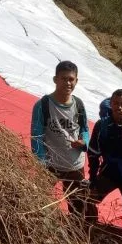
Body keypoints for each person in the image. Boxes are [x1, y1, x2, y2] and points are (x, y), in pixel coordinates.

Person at [30, 60, 90, 218]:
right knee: (39, 202)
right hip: (51, 165)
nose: (68, 83)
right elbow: (36, 136)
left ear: (76, 81)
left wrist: (84, 142)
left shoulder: (79, 105)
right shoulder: (43, 105)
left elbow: (84, 129)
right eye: (64, 78)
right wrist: (42, 162)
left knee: (77, 207)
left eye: (71, 79)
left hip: (75, 165)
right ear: (55, 79)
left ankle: (77, 236)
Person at [86, 89, 122, 244]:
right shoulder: (101, 126)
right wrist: (92, 179)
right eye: (116, 103)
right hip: (109, 171)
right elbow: (93, 154)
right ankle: (91, 228)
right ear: (111, 104)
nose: (119, 107)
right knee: (89, 198)